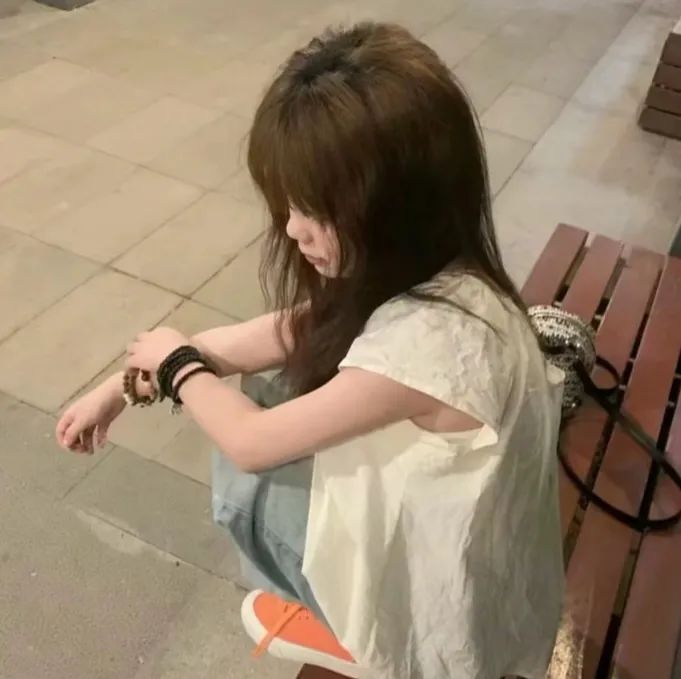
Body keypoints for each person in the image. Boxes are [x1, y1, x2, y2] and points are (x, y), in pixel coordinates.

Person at [55, 22, 565, 679]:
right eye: (288, 204)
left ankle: (345, 632)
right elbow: (270, 336)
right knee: (273, 376)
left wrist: (178, 366)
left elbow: (251, 442)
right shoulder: (449, 276)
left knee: (245, 467)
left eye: (315, 208)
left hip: (442, 616)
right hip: (487, 559)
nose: (292, 228)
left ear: (394, 206)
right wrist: (122, 386)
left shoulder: (427, 344)